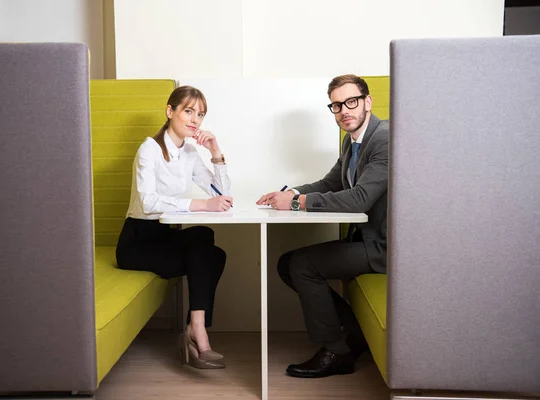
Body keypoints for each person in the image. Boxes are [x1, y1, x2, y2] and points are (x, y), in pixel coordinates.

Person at [256, 74, 389, 378]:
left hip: (384, 246)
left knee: (302, 265)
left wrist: (295, 204)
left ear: (368, 102)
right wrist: (291, 193)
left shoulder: (383, 138)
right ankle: (354, 334)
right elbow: (330, 183)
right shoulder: (352, 140)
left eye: (351, 102)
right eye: (337, 105)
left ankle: (337, 352)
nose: (344, 111)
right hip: (365, 240)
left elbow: (359, 199)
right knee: (287, 264)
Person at [116, 85, 233, 370]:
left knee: (207, 241)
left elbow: (223, 194)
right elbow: (148, 203)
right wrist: (201, 205)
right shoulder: (149, 150)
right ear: (170, 111)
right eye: (188, 111)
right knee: (211, 255)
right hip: (136, 242)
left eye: (200, 114)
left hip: (163, 235)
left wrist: (215, 152)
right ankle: (197, 332)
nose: (195, 120)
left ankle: (195, 326)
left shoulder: (191, 153)